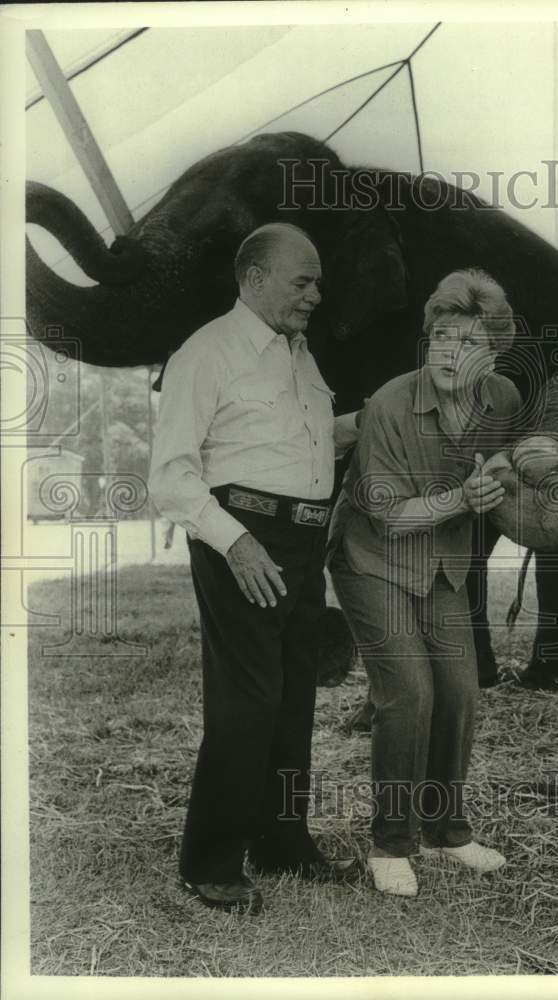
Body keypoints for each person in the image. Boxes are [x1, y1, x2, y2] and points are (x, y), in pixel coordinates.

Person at [149, 222, 359, 911]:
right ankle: (209, 861)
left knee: (295, 694)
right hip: (241, 535)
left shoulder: (298, 356)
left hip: (301, 541)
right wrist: (235, 543)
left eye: (318, 281)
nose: (316, 295)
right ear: (254, 278)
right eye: (303, 281)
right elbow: (172, 475)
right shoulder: (205, 353)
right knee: (250, 698)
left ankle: (281, 842)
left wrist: (387, 413)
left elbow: (305, 444)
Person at [328, 269, 521, 897]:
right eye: (441, 337)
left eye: (467, 343)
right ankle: (391, 845)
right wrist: (464, 499)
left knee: (460, 691)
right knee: (409, 692)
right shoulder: (387, 404)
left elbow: (506, 470)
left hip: (443, 563)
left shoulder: (504, 401)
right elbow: (388, 515)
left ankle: (449, 831)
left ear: (492, 355)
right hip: (370, 556)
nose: (448, 353)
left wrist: (505, 483)